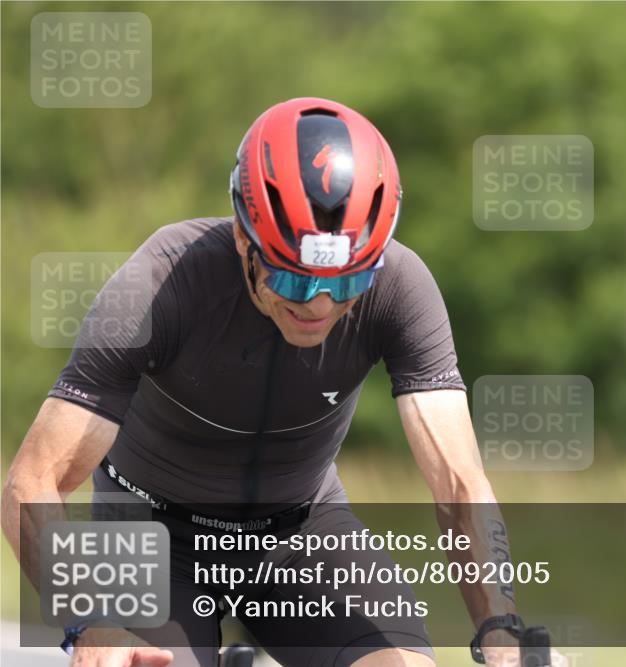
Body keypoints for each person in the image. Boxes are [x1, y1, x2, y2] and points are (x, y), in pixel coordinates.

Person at [3, 98, 559, 667]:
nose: (319, 303)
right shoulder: (158, 283)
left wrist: (500, 629)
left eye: (347, 282)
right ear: (245, 239)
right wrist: (91, 624)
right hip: (148, 533)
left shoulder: (401, 288)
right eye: (294, 279)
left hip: (302, 532)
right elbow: (31, 481)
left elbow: (459, 480)